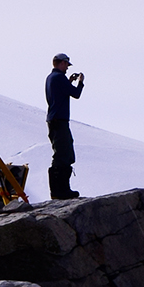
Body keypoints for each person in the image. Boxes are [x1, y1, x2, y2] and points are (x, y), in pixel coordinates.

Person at [45, 53, 84, 199]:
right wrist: (80, 82)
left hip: (54, 119)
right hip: (59, 120)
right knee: (63, 153)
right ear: (61, 63)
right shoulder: (59, 78)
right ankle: (60, 191)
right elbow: (76, 93)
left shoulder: (51, 78)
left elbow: (61, 92)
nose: (67, 67)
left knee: (63, 151)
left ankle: (60, 190)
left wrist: (69, 81)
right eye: (66, 64)